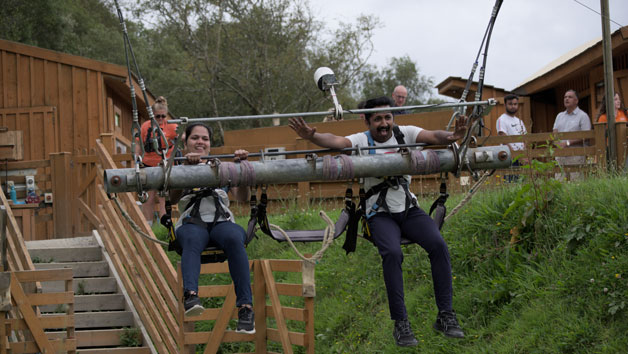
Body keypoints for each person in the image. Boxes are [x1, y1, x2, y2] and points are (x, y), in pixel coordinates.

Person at [288, 96, 467, 347]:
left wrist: (453, 136)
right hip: (379, 213)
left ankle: (445, 314)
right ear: (367, 121)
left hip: (407, 208)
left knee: (438, 245)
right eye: (378, 119)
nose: (384, 124)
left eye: (388, 118)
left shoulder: (406, 134)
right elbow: (337, 142)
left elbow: (434, 136)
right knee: (392, 253)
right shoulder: (362, 141)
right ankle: (401, 323)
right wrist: (312, 136)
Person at [169, 123, 255, 334]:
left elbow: (242, 197)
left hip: (221, 220)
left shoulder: (222, 168)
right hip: (192, 221)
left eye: (205, 139)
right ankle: (190, 295)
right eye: (195, 138)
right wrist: (186, 171)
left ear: (210, 143)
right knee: (191, 239)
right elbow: (171, 198)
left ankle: (245, 307)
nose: (200, 142)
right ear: (186, 141)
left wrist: (241, 169)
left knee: (235, 238)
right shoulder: (178, 166)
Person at [135, 96, 178, 226]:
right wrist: (136, 159)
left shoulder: (171, 126)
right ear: (152, 115)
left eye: (163, 116)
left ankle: (165, 226)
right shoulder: (145, 126)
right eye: (157, 116)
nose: (160, 119)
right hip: (148, 165)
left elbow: (182, 138)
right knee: (148, 198)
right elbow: (138, 144)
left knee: (163, 198)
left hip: (164, 166)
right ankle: (148, 226)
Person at [552, 89, 592, 180]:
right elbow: (555, 131)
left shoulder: (583, 116)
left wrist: (567, 143)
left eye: (570, 97)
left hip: (576, 154)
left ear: (576, 101)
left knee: (576, 181)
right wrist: (557, 143)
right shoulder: (559, 116)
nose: (566, 99)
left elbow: (586, 136)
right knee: (559, 181)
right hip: (560, 154)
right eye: (565, 97)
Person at [496, 94, 528, 182]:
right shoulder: (501, 119)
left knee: (522, 183)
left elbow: (525, 139)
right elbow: (503, 138)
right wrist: (516, 155)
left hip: (521, 158)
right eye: (510, 104)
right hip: (509, 157)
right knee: (511, 183)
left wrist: (524, 156)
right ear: (505, 105)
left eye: (515, 104)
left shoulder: (519, 121)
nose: (513, 106)